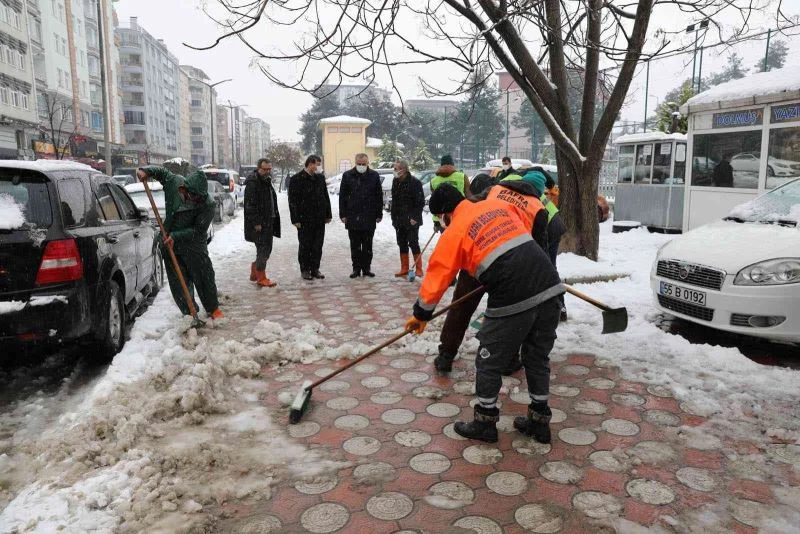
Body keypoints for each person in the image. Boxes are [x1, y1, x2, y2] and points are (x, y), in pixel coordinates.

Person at [406, 184, 564, 444]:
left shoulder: (456, 229)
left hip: (512, 291)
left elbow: (438, 273)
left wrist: (421, 314)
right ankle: (539, 422)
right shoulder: (498, 206)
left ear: (445, 214)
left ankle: (485, 422)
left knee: (488, 360)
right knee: (536, 357)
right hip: (549, 283)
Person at [434, 171, 549, 375]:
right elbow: (539, 251)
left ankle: (446, 355)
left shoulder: (494, 190)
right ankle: (507, 360)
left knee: (461, 306)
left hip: (477, 255)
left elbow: (466, 209)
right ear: (538, 192)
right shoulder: (538, 208)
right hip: (510, 268)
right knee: (508, 313)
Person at [137, 165, 223, 319]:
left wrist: (176, 236)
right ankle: (190, 313)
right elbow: (163, 173)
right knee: (179, 280)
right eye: (193, 196)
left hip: (194, 244)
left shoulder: (208, 204)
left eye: (199, 198)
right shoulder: (174, 183)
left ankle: (213, 308)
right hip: (170, 243)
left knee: (204, 276)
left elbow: (198, 231)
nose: (196, 200)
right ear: (184, 189)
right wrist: (147, 171)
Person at [288, 155, 332, 280]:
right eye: (317, 164)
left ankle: (315, 269)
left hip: (319, 218)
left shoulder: (320, 178)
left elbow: (325, 196)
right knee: (305, 245)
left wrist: (328, 214)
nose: (318, 167)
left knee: (318, 245)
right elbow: (292, 201)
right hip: (304, 219)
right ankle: (305, 270)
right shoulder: (296, 179)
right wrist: (295, 219)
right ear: (310, 164)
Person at [339, 153, 383, 278]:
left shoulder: (374, 175)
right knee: (355, 245)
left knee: (368, 245)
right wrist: (343, 214)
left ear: (368, 163)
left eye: (364, 164)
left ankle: (367, 268)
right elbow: (342, 196)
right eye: (359, 164)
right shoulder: (347, 175)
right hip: (353, 216)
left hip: (369, 215)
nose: (361, 166)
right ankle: (356, 269)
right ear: (355, 163)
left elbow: (379, 196)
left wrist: (379, 214)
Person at [244, 158, 281, 287]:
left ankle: (255, 270)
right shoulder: (254, 183)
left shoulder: (266, 181)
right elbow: (250, 205)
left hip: (268, 221)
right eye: (265, 169)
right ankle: (261, 278)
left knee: (266, 249)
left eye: (269, 169)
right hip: (260, 224)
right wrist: (256, 223)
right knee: (263, 250)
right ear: (259, 168)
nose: (268, 171)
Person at [390, 160, 425, 278]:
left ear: (403, 170)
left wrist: (415, 217)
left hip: (411, 219)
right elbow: (395, 200)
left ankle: (419, 269)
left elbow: (420, 202)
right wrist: (393, 217)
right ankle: (404, 268)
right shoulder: (395, 181)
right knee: (402, 243)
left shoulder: (415, 182)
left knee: (413, 243)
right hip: (399, 219)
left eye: (396, 169)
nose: (394, 171)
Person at [430, 154, 470, 233]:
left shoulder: (433, 180)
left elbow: (435, 202)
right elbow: (469, 197)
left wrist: (436, 223)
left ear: (441, 165)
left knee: (447, 238)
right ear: (452, 164)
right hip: (459, 216)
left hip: (442, 219)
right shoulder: (462, 177)